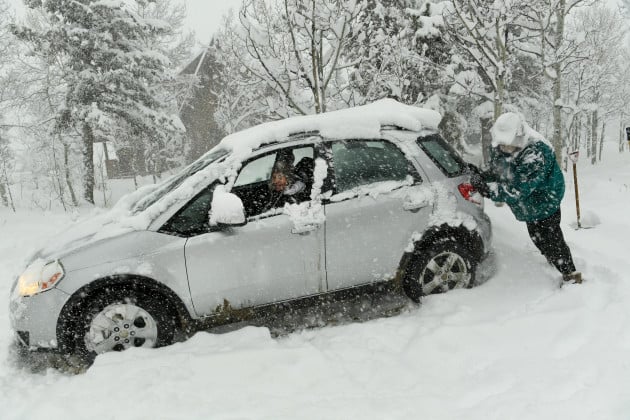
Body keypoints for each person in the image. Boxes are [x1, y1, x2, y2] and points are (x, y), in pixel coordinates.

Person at [470, 112, 582, 285]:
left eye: (508, 146)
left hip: (546, 200)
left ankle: (570, 274)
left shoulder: (535, 153)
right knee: (536, 236)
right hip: (529, 205)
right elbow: (499, 170)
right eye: (502, 145)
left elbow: (517, 190)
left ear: (519, 138)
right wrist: (482, 175)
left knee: (552, 238)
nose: (504, 149)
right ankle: (551, 258)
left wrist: (487, 189)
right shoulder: (502, 145)